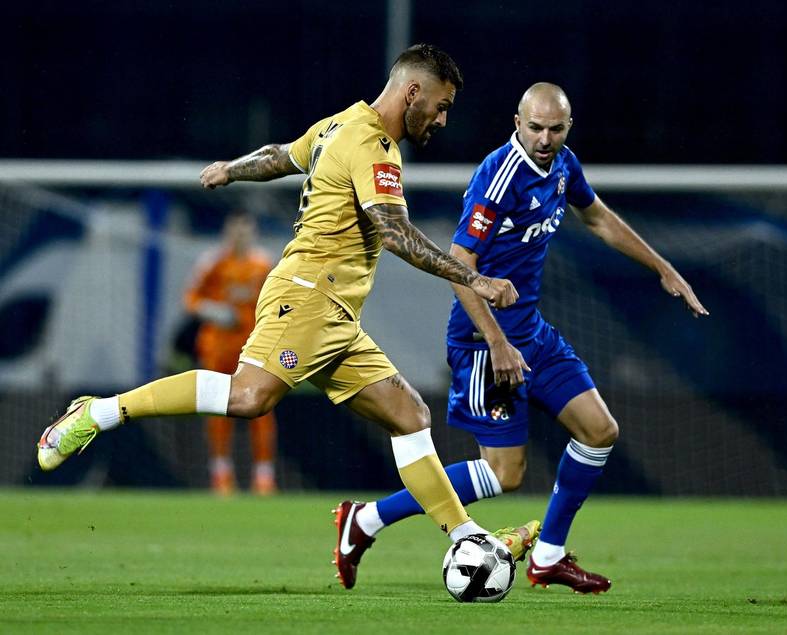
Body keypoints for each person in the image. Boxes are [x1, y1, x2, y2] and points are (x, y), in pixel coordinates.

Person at [36, 44, 531, 589]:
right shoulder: (372, 146)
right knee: (249, 397)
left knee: (409, 414)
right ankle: (100, 412)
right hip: (309, 295)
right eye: (441, 106)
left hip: (336, 315)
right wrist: (475, 279)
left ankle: (465, 535)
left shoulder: (338, 124)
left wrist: (231, 169)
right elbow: (394, 232)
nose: (442, 119)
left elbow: (279, 156)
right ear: (413, 91)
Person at [337, 83, 709, 594]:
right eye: (535, 127)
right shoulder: (499, 177)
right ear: (517, 123)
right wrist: (496, 342)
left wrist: (662, 267)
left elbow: (597, 217)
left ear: (568, 128)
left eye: (555, 129)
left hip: (532, 332)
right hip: (482, 341)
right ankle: (367, 519)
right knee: (505, 474)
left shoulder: (563, 165)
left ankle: (548, 556)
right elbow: (459, 264)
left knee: (599, 431)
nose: (545, 138)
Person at [183, 211, 278, 495]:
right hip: (217, 346)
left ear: (253, 233)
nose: (240, 236)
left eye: (245, 230)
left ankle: (264, 476)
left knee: (261, 408)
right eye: (236, 230)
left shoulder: (263, 264)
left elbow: (276, 299)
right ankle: (221, 473)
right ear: (227, 232)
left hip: (253, 346)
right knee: (218, 409)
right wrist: (214, 311)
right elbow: (190, 299)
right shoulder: (212, 262)